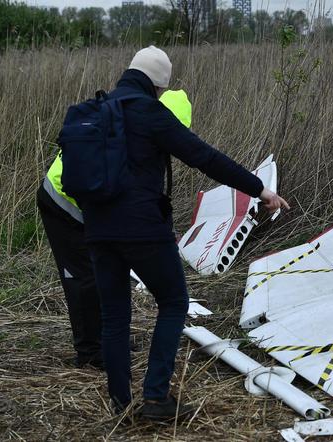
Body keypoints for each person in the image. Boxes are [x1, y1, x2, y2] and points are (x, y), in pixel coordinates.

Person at [76, 46, 290, 420]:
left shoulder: (97, 111)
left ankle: (121, 405)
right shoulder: (150, 113)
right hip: (143, 229)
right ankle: (156, 399)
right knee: (173, 303)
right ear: (159, 84)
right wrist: (260, 189)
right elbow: (205, 157)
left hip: (97, 230)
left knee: (114, 317)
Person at [37, 89, 195, 371]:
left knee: (108, 269)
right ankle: (90, 353)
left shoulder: (134, 127)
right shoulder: (132, 141)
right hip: (62, 200)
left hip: (88, 204)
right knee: (84, 277)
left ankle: (110, 340)